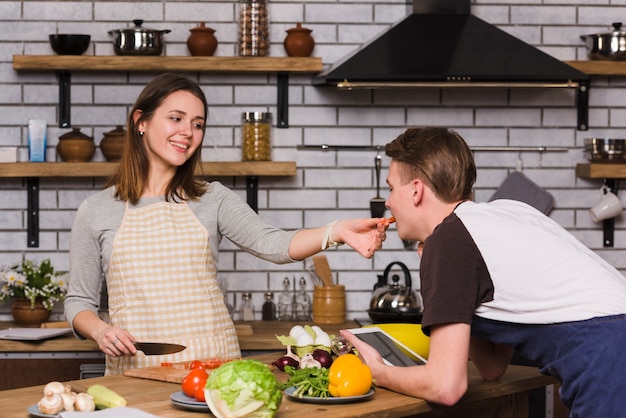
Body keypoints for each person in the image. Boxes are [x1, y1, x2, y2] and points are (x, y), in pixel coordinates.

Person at [64, 73, 390, 375]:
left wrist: (337, 231)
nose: (188, 133)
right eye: (176, 119)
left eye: (198, 124)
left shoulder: (213, 198)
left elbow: (272, 243)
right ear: (141, 122)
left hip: (213, 365)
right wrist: (101, 330)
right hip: (135, 370)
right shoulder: (96, 211)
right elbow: (79, 302)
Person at [341, 127, 626, 416]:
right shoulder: (504, 212)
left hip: (610, 358)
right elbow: (492, 367)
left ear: (416, 190)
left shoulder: (450, 240)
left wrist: (376, 372)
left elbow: (445, 387)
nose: (388, 202)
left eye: (391, 188)